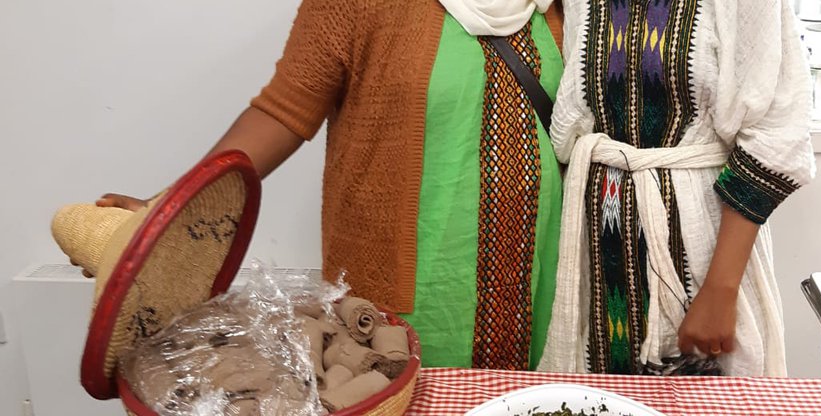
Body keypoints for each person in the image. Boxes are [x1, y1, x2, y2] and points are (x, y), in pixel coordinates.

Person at [93, 0, 565, 371]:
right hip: (406, 311)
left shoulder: (564, 8)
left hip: (541, 289)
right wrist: (173, 207)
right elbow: (283, 111)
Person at [535, 0, 815, 376]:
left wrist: (721, 288)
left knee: (705, 394)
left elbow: (776, 133)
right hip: (599, 240)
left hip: (703, 236)